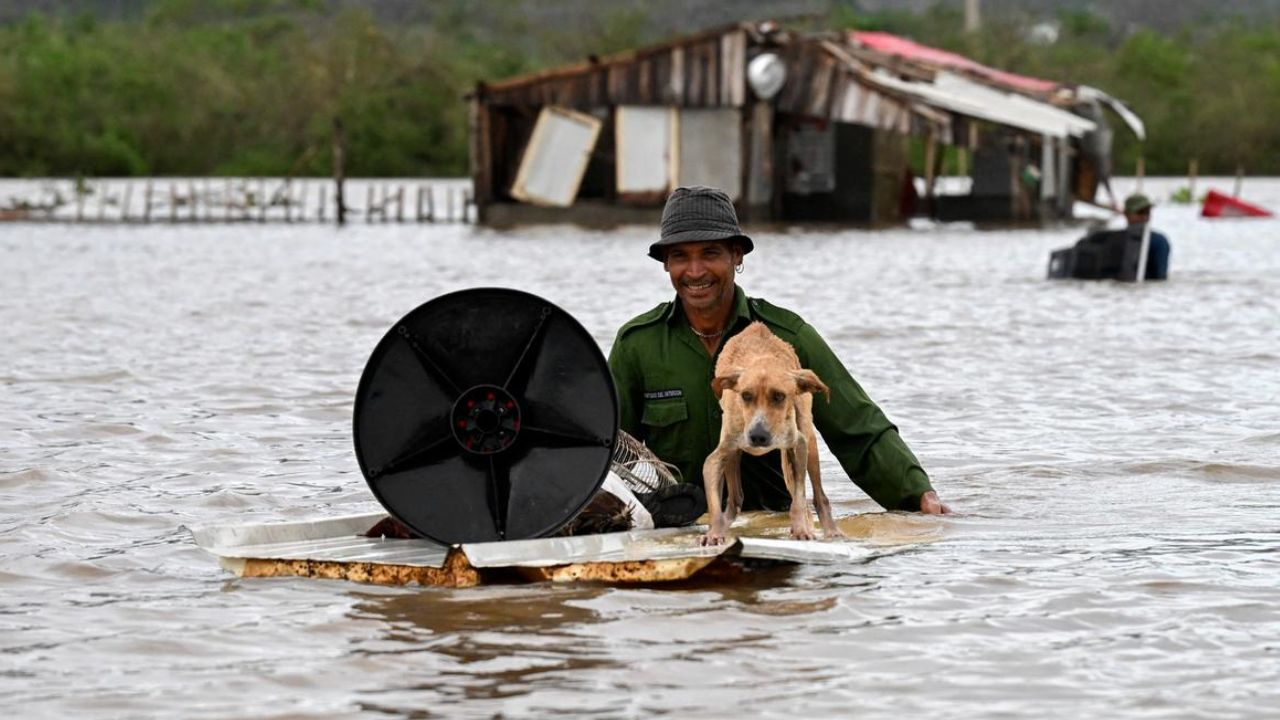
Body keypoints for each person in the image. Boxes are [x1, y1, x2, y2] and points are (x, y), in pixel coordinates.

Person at [608, 186, 949, 517]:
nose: (695, 272)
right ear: (666, 264)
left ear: (736, 256)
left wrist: (916, 494)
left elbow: (859, 428)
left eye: (710, 253)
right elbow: (608, 446)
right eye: (680, 256)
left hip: (772, 526)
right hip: (673, 526)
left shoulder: (789, 338)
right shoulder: (637, 344)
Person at [1122, 193, 1170, 280]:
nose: (1144, 217)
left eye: (1147, 212)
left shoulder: (1158, 241)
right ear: (1126, 214)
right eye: (1140, 212)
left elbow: (1161, 276)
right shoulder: (1112, 240)